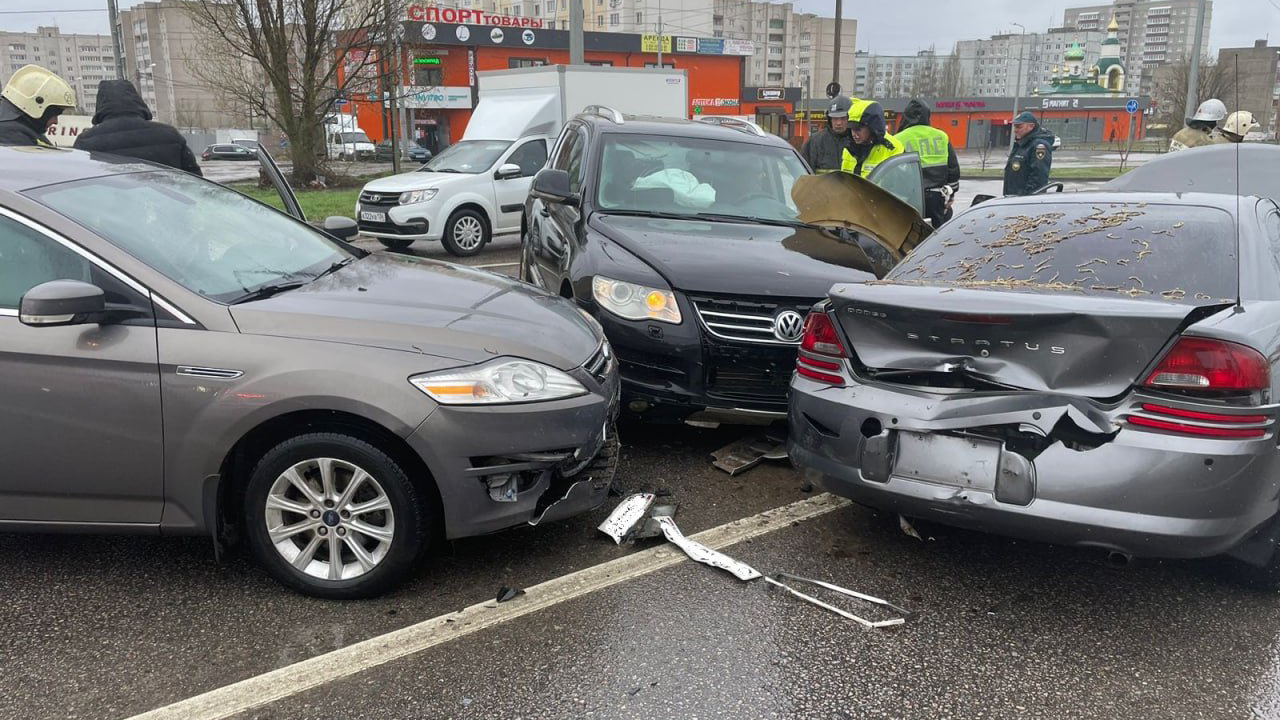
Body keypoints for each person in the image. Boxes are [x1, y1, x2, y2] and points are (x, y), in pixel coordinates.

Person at [73, 79, 202, 175]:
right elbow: (196, 180)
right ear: (137, 100)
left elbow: (76, 185)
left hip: (110, 209)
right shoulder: (169, 135)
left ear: (100, 105)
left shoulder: (86, 142)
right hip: (167, 206)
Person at [896, 99, 961, 227]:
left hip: (910, 198)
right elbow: (953, 168)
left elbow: (894, 173)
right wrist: (951, 193)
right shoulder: (941, 136)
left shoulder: (898, 138)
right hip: (938, 197)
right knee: (936, 235)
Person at [0, 64, 76, 147]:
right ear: (36, 105)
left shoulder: (24, 130)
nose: (55, 121)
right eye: (54, 114)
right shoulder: (11, 134)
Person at [839, 99, 904, 178]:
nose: (854, 134)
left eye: (858, 129)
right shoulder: (849, 148)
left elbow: (899, 181)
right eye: (851, 129)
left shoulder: (892, 148)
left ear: (872, 127)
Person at [1002, 111, 1055, 197]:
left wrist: (1026, 199)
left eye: (1019, 127)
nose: (1015, 130)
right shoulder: (1021, 144)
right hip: (1013, 198)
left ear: (1031, 126)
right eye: (1015, 127)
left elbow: (1038, 178)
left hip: (1024, 201)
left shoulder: (1039, 146)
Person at [800, 95, 854, 172]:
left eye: (843, 118)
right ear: (829, 119)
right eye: (835, 118)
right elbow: (804, 172)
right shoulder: (815, 141)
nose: (838, 123)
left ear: (850, 118)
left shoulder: (857, 141)